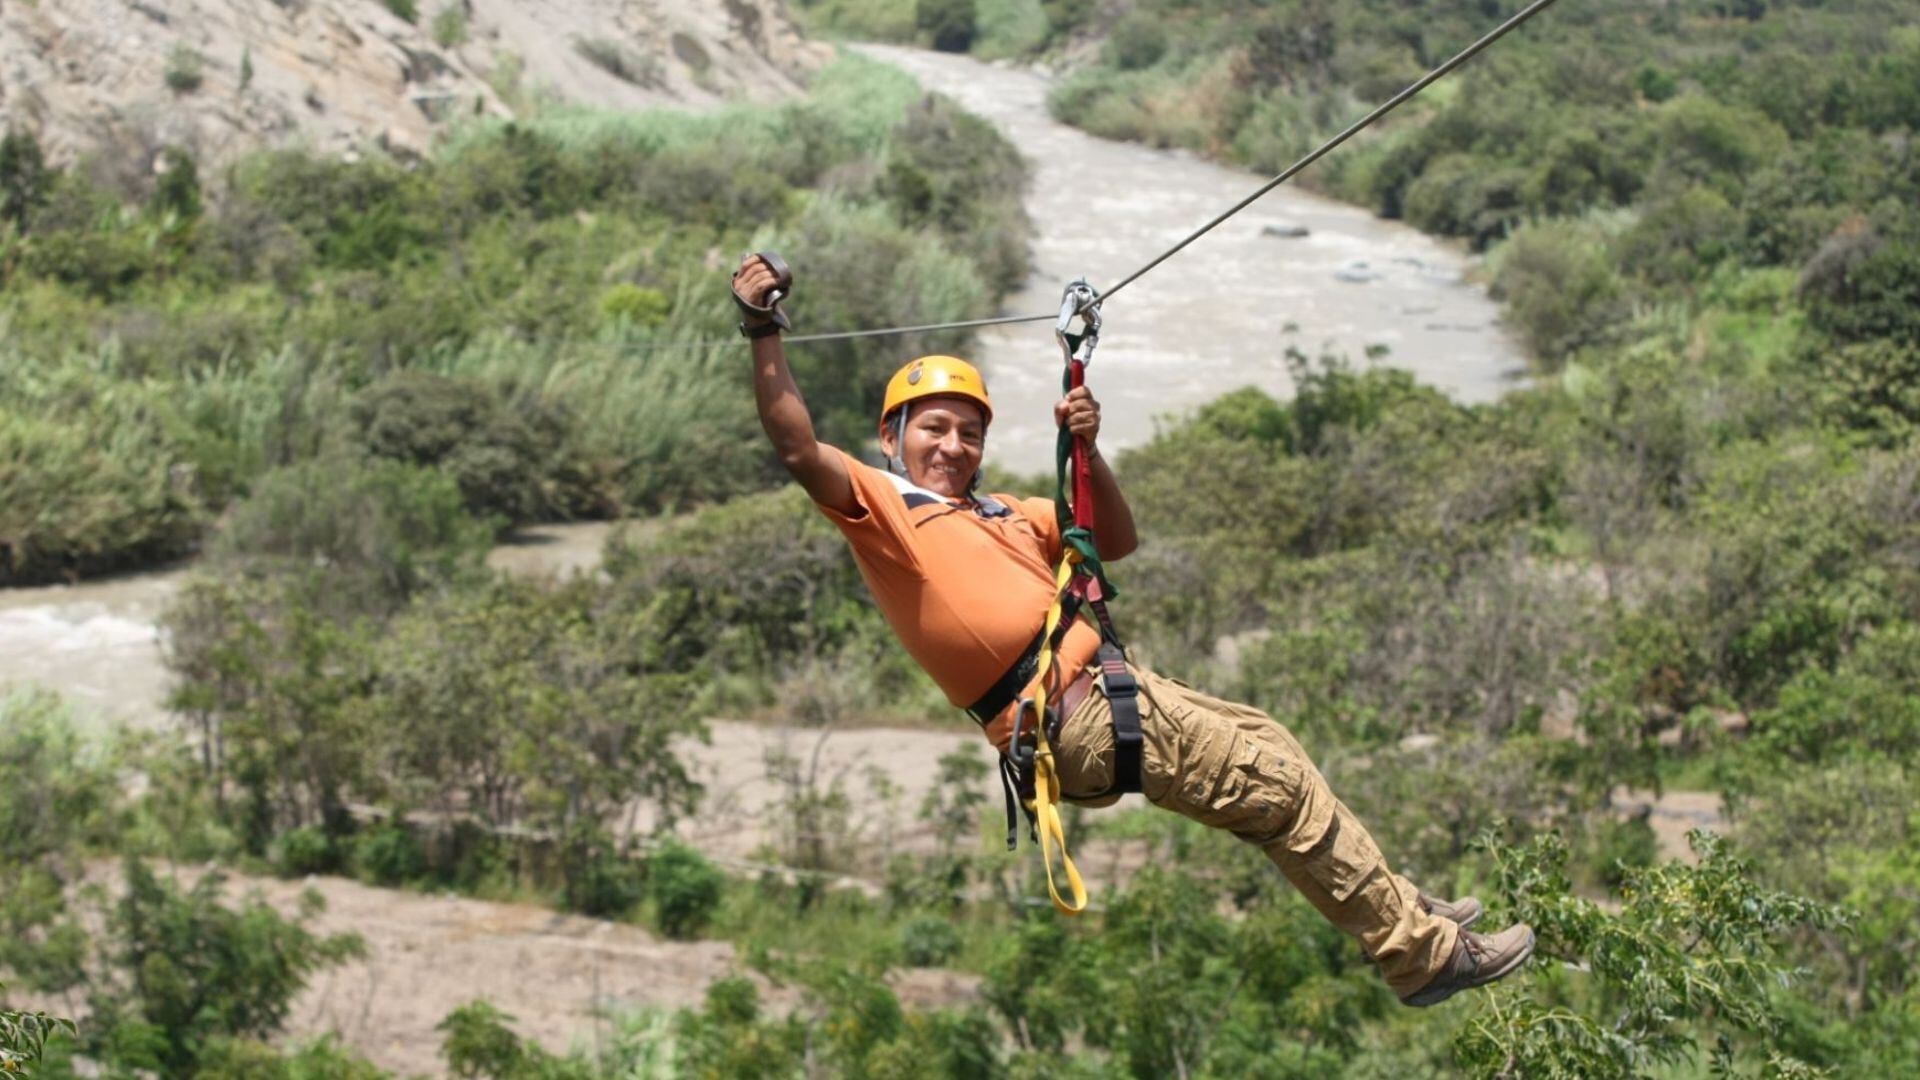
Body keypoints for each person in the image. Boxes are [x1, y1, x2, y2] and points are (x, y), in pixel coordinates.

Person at [731, 253, 1534, 1006]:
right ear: (891, 439)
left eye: (967, 432)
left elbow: (1112, 539)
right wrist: (763, 330)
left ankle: (1397, 903)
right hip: (1071, 719)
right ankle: (1419, 955)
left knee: (1274, 745)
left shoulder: (1009, 513)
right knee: (1279, 791)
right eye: (932, 428)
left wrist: (1086, 446)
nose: (952, 445)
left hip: (1111, 692)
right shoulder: (886, 512)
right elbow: (797, 446)